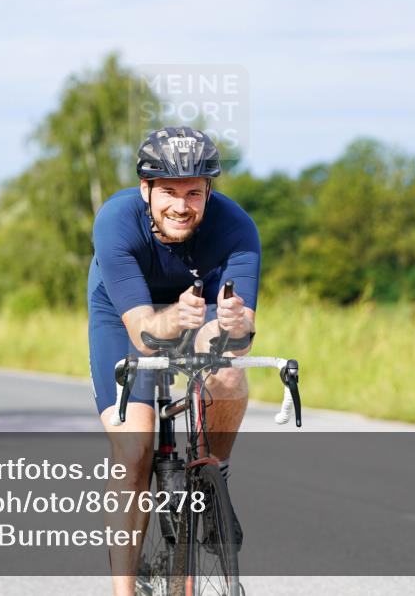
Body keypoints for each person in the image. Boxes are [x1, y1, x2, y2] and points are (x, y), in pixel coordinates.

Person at [88, 126, 259, 595]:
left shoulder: (236, 228)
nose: (180, 206)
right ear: (146, 190)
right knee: (133, 450)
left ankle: (213, 480)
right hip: (124, 314)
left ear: (209, 192)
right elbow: (144, 332)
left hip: (198, 306)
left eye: (193, 193)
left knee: (225, 372)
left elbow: (238, 340)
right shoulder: (116, 220)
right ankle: (123, 590)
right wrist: (175, 320)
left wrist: (230, 325)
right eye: (168, 192)